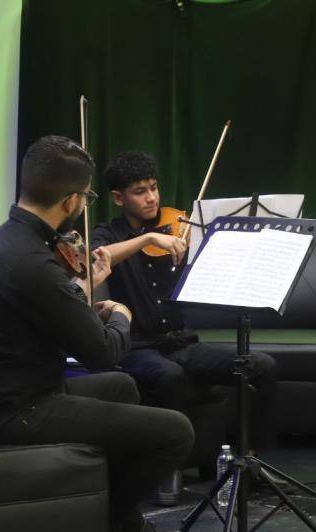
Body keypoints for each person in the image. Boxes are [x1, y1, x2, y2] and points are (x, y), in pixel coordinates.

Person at [0, 136, 194, 532]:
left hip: (3, 389)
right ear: (69, 201)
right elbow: (103, 352)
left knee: (123, 388)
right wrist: (120, 314)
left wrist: (84, 295)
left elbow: (49, 314)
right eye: (85, 197)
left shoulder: (7, 239)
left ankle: (126, 523)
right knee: (174, 432)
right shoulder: (33, 261)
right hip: (13, 409)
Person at [91, 150, 278, 504]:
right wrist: (148, 239)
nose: (151, 198)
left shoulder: (177, 228)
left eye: (154, 188)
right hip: (138, 347)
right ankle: (167, 469)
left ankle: (248, 462)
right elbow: (96, 258)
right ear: (118, 198)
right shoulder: (108, 235)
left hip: (180, 342)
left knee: (261, 366)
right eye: (139, 191)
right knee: (168, 376)